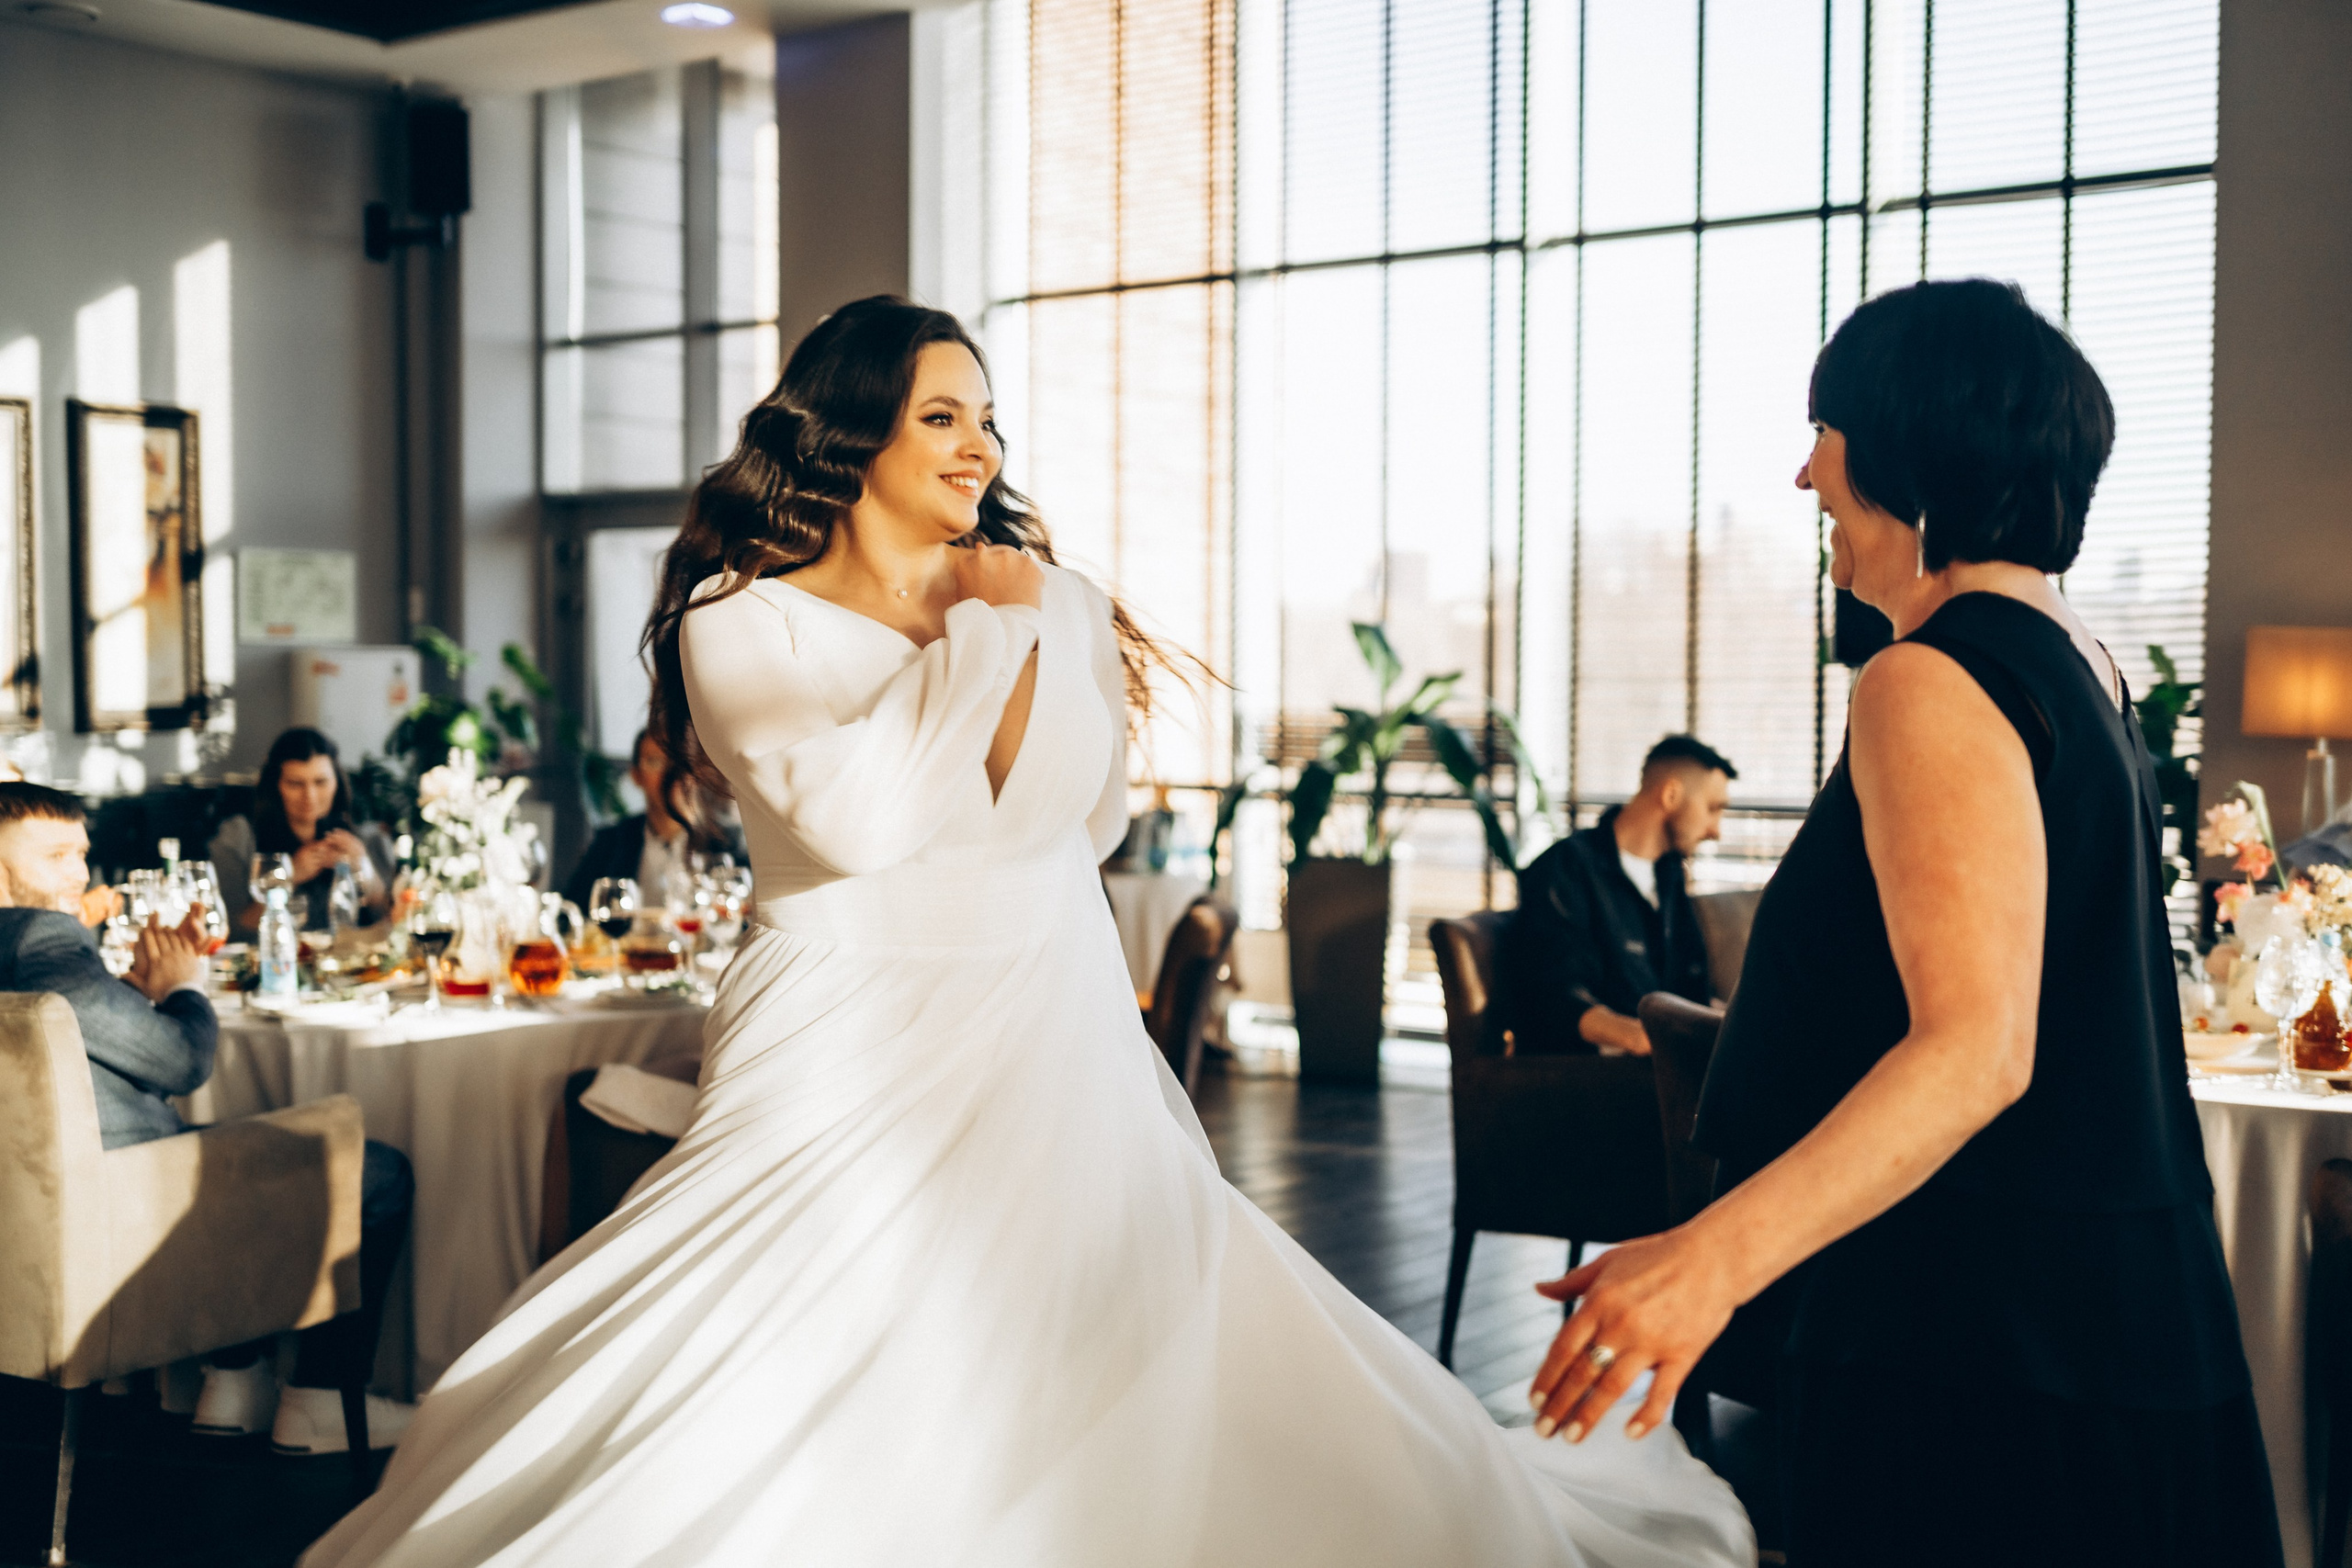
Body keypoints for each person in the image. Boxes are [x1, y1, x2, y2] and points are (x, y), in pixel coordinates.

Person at [299, 298, 1750, 1568]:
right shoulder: (745, 619)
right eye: (941, 414)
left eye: (988, 417)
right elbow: (854, 817)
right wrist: (991, 633)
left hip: (1045, 1011)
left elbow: (1090, 816)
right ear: (852, 433)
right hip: (844, 1022)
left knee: (1089, 1325)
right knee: (784, 1317)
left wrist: (1032, 623)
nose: (979, 444)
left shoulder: (1049, 593)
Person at [1521, 280, 2279, 1567]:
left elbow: (1977, 1049)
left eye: (1826, 426)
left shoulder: (1925, 678)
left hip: (1982, 1334)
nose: (1807, 466)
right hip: (2109, 1315)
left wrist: (1711, 1259)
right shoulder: (2080, 661)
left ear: (1906, 444)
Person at [0, 782, 416, 1456]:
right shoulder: (43, 941)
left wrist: (137, 992)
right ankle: (315, 1398)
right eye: (54, 856)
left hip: (26, 1222)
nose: (78, 874)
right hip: (126, 1211)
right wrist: (187, 985)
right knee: (380, 1170)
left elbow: (65, 1039)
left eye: (82, 853)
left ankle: (237, 1380)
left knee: (237, 1142)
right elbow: (184, 1060)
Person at [1501, 735, 1734, 1055]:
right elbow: (1553, 993)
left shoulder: (1669, 875)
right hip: (1588, 1072)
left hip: (1662, 1065)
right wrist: (1639, 1039)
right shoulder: (1566, 868)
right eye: (1712, 809)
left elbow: (1690, 989)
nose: (1715, 830)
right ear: (1670, 795)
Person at [209, 728, 395, 934]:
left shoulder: (366, 835)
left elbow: (393, 921)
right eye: (295, 784)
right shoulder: (238, 838)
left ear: (337, 781)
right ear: (275, 785)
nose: (310, 796)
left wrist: (364, 868)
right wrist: (287, 877)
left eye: (321, 782)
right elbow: (228, 928)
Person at [560, 727, 745, 911]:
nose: (670, 774)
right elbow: (571, 910)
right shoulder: (611, 842)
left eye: (679, 761)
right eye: (655, 761)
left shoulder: (727, 842)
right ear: (636, 776)